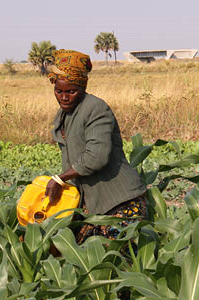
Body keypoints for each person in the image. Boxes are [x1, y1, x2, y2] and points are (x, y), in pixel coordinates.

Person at [45, 49, 146, 241]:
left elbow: (96, 156)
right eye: (59, 91)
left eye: (71, 91)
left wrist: (60, 179)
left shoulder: (95, 108)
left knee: (118, 263)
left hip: (119, 202)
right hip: (92, 206)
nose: (64, 98)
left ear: (83, 87)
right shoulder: (64, 114)